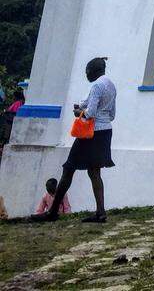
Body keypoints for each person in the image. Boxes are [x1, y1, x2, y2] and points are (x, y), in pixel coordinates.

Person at [35, 56, 117, 222]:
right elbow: (112, 114)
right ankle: (101, 212)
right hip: (105, 131)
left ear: (94, 71)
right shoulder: (111, 85)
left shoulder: (97, 85)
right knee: (94, 171)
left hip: (91, 133)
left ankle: (52, 212)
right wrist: (84, 107)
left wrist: (79, 113)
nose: (86, 75)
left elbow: (90, 113)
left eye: (87, 72)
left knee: (69, 168)